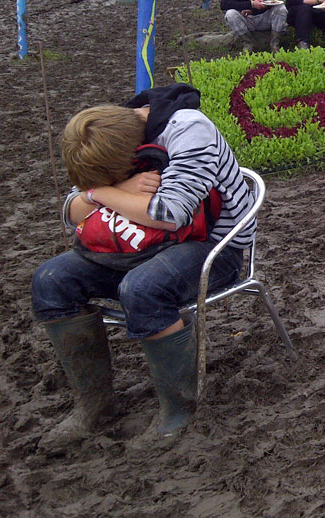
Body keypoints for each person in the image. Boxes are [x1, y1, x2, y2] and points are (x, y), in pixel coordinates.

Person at [31, 83, 256, 447]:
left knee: (143, 288)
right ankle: (94, 407)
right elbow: (71, 210)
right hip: (137, 242)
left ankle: (179, 409)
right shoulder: (107, 135)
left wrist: (104, 194)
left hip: (213, 246)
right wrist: (106, 191)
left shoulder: (188, 129)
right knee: (51, 280)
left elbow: (172, 214)